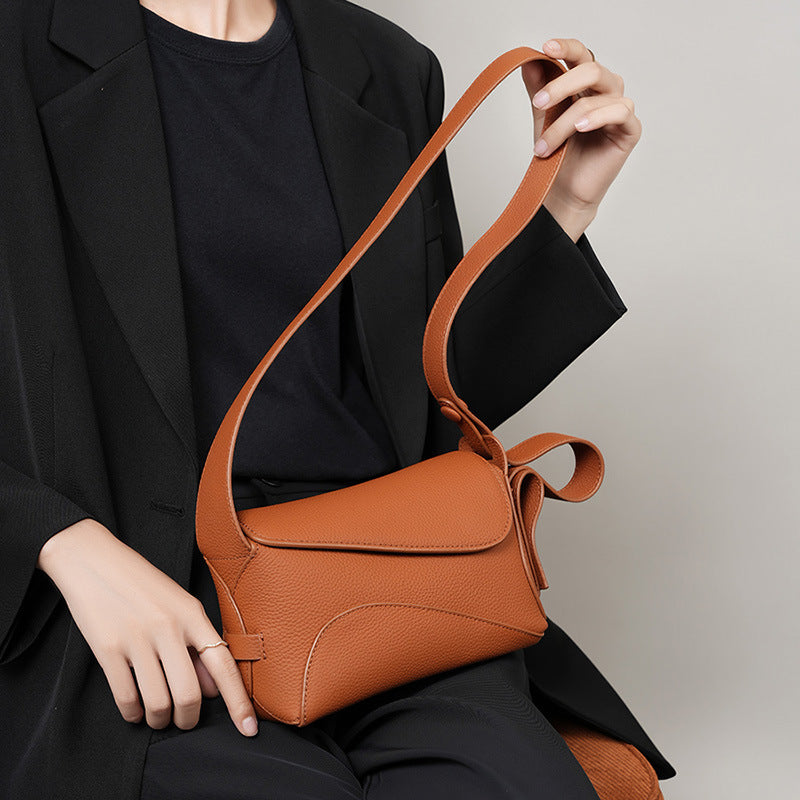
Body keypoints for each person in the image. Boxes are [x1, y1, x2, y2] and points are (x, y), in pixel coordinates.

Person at [0, 0, 675, 797]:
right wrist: (60, 541)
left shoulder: (386, 65)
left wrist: (563, 205)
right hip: (144, 612)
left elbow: (425, 400)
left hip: (377, 591)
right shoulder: (20, 45)